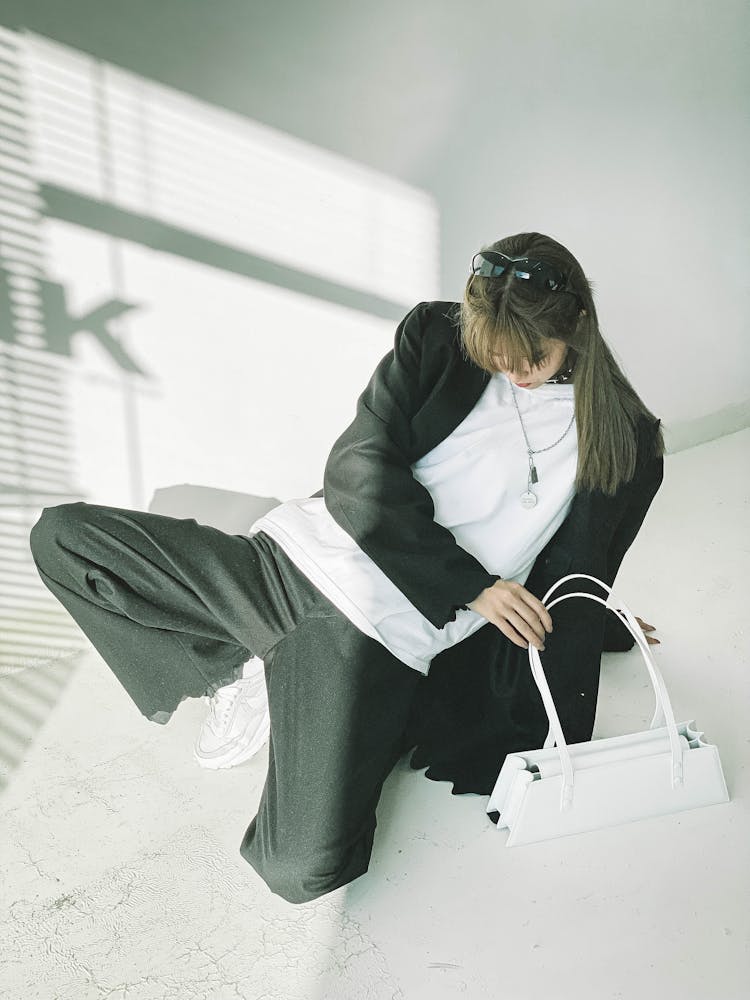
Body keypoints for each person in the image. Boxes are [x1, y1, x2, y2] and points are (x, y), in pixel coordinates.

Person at [28, 232, 664, 905]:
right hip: (282, 563)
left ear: (578, 327)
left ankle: (278, 674)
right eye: (494, 355)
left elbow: (574, 576)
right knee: (63, 538)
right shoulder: (437, 335)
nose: (512, 372)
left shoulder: (622, 440)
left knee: (298, 871)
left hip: (375, 643)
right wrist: (470, 586)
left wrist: (598, 623)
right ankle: (237, 667)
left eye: (531, 358)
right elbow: (356, 469)